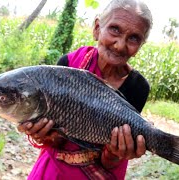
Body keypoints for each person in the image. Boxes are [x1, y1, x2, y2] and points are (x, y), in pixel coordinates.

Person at [17, 0, 153, 179]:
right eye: (115, 29)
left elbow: (110, 158)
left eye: (134, 38)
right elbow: (59, 140)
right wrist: (44, 135)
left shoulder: (138, 88)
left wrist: (115, 153)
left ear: (140, 46)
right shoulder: (68, 65)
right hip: (55, 170)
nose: (120, 44)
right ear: (97, 28)